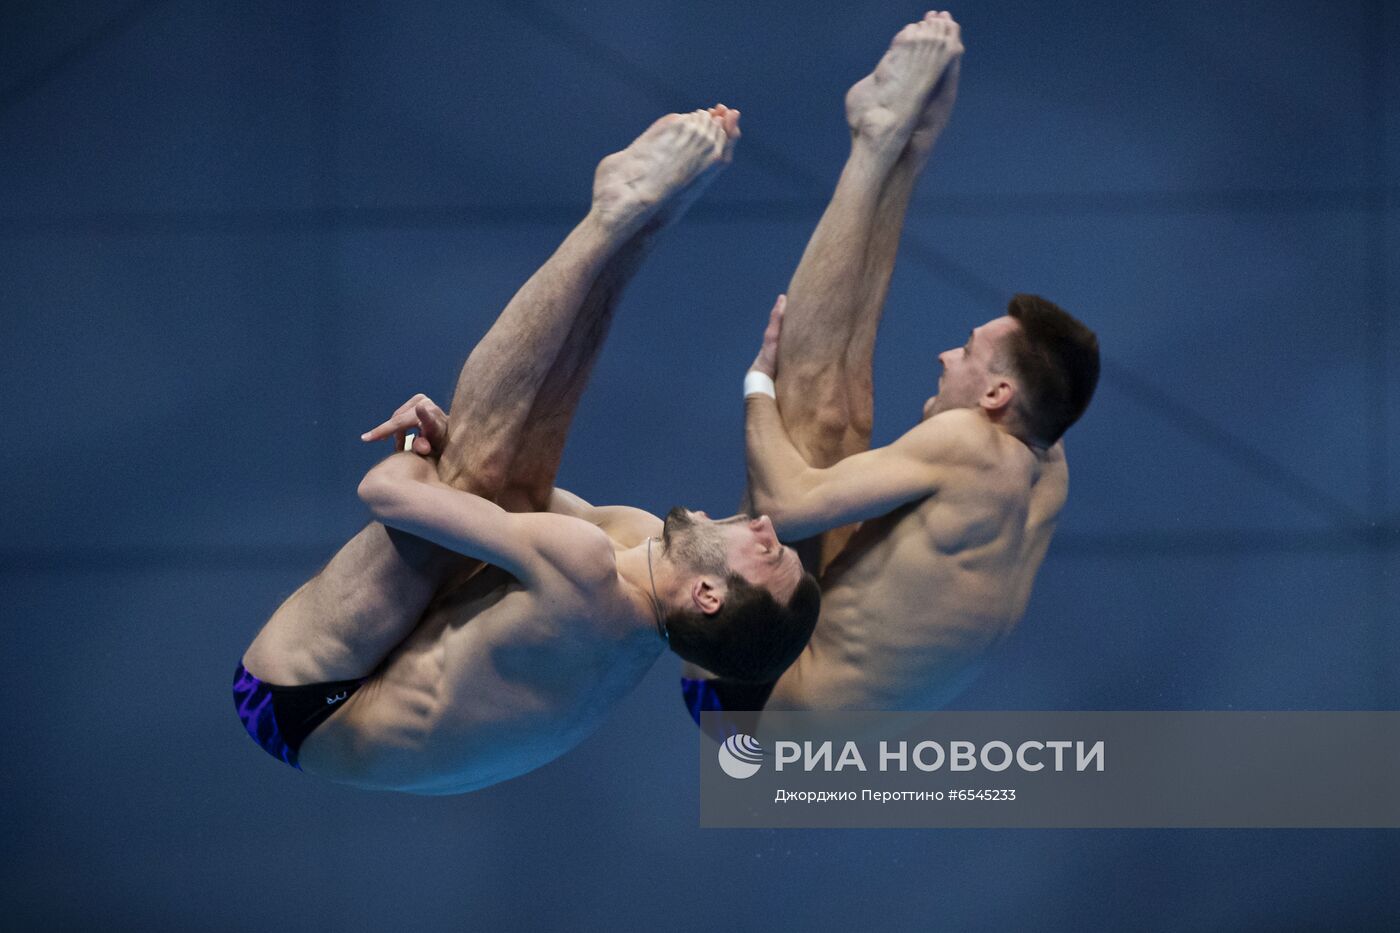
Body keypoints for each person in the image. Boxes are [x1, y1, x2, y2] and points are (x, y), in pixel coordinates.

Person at [234, 106, 820, 794]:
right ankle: (641, 220)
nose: (766, 524)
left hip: (303, 700)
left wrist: (418, 444)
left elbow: (386, 494)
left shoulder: (589, 581)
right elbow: (520, 483)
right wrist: (446, 453)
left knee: (477, 483)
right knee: (511, 491)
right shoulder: (636, 565)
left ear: (708, 595)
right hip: (403, 701)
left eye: (769, 551)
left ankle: (613, 218)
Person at [682, 11, 1099, 722]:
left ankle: (876, 147)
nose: (945, 354)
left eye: (968, 353)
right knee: (847, 419)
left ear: (999, 392)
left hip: (747, 696)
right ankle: (902, 145)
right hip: (828, 696)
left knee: (808, 411)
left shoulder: (974, 444)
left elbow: (784, 507)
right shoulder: (1045, 464)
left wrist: (756, 382)